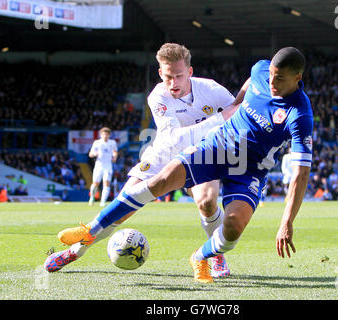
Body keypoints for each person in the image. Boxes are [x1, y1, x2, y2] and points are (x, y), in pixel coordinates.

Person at [54, 47, 313, 284]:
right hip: (183, 149)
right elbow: (178, 137)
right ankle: (86, 235)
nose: (271, 83)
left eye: (279, 79)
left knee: (228, 223)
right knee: (150, 186)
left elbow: (301, 174)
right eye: (270, 76)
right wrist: (233, 108)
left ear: (297, 78)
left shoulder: (299, 115)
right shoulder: (160, 96)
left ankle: (205, 255)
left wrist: (287, 222)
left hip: (249, 167)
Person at [45, 43, 248, 278]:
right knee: (124, 207)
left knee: (207, 201)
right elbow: (174, 139)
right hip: (164, 154)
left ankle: (214, 255)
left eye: (179, 76)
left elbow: (237, 116)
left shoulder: (211, 90)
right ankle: (75, 251)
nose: (173, 83)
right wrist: (220, 118)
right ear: (161, 73)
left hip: (201, 154)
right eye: (168, 76)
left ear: (190, 73)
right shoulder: (158, 96)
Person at [88, 127, 118, 207]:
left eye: (107, 134)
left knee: (106, 183)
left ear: (109, 135)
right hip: (99, 165)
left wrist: (115, 156)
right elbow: (90, 154)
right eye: (103, 134)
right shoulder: (97, 143)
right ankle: (92, 197)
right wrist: (94, 154)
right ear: (100, 135)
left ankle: (103, 201)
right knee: (95, 183)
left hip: (108, 166)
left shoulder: (112, 142)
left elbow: (115, 152)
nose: (105, 136)